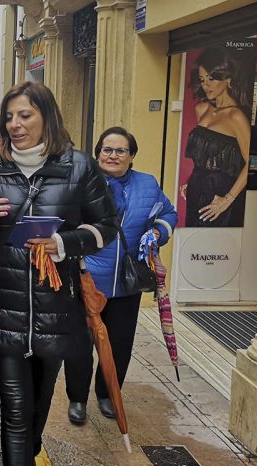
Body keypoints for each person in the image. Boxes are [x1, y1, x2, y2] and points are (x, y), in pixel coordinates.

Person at [0, 81, 117, 466]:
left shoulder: (79, 167)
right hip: (5, 305)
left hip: (57, 310)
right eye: (9, 116)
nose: (15, 124)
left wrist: (65, 244)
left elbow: (107, 228)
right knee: (14, 411)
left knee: (35, 413)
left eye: (24, 115)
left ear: (46, 117)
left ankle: (26, 463)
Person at [63, 127, 178, 425]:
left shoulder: (147, 185)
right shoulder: (81, 183)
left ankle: (107, 393)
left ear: (131, 156)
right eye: (107, 150)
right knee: (79, 344)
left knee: (119, 344)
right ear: (98, 153)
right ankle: (76, 398)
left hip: (126, 281)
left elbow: (169, 213)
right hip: (86, 277)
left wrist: (157, 232)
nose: (113, 156)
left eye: (120, 151)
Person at [180, 47, 251, 227]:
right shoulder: (201, 109)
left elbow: (253, 163)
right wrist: (191, 181)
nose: (205, 85)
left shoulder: (236, 117)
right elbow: (205, 155)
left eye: (211, 79)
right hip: (197, 189)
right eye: (202, 80)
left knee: (212, 249)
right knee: (193, 246)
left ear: (228, 79)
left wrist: (227, 199)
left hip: (219, 194)